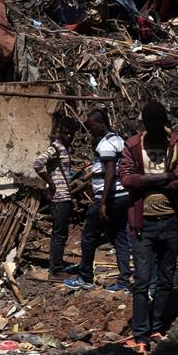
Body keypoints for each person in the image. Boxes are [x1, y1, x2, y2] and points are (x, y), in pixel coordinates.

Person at [119, 101, 178, 354]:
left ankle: (156, 326)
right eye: (151, 126)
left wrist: (146, 182)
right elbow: (127, 179)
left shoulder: (177, 145)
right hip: (143, 224)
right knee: (141, 280)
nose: (156, 130)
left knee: (165, 279)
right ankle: (141, 333)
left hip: (171, 221)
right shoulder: (133, 146)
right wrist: (163, 178)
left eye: (159, 125)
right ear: (145, 125)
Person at [65, 109, 131, 292]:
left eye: (91, 126)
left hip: (108, 198)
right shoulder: (119, 140)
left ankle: (85, 277)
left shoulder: (105, 145)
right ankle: (124, 282)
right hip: (122, 196)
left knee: (88, 236)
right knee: (120, 238)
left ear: (101, 124)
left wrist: (102, 202)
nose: (90, 130)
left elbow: (110, 172)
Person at [33, 117, 77, 281]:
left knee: (61, 234)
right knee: (59, 235)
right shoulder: (56, 148)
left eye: (71, 134)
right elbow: (38, 163)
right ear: (60, 132)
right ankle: (55, 270)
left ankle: (57, 266)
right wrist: (50, 183)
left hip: (64, 197)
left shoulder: (64, 149)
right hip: (59, 197)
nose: (69, 137)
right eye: (66, 133)